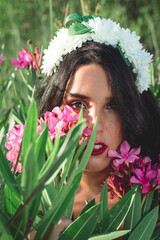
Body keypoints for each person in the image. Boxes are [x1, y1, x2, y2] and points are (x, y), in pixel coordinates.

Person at [38, 14, 160, 238]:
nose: (96, 125)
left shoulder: (153, 200)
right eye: (78, 104)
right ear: (53, 110)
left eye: (113, 105)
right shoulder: (25, 201)